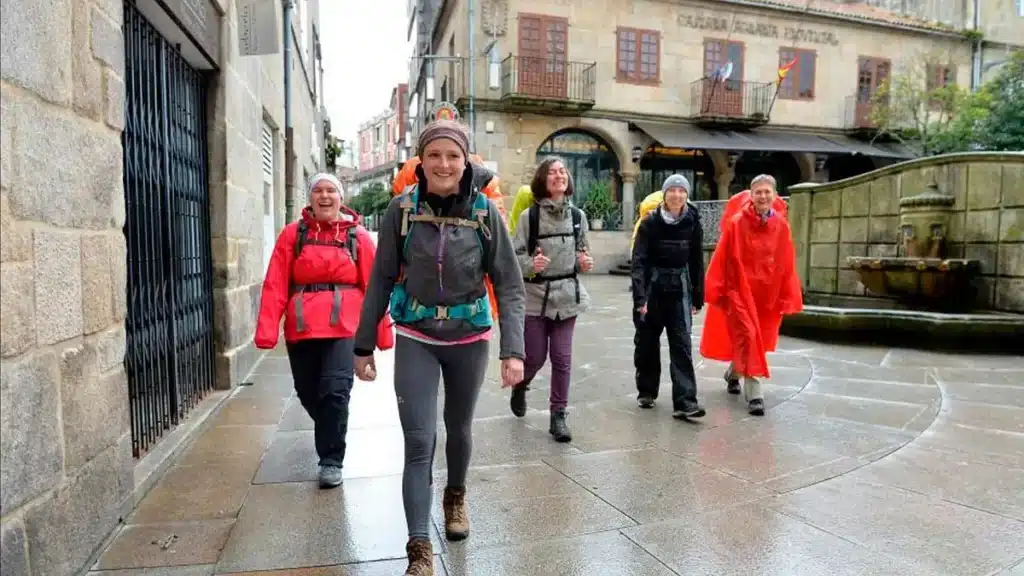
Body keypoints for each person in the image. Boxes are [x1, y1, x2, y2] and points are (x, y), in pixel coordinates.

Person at [353, 119, 526, 576]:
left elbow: (509, 283)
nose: (444, 164)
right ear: (421, 162)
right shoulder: (400, 211)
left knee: (459, 428)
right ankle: (419, 550)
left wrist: (514, 349)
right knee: (418, 440)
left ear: (465, 161)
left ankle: (456, 497)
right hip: (416, 335)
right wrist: (363, 344)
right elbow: (381, 279)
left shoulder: (486, 213)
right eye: (435, 156)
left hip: (469, 337)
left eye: (453, 156)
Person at [254, 173, 394, 488]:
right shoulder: (293, 235)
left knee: (335, 390)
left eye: (331, 190)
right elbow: (275, 282)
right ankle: (332, 426)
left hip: (347, 326)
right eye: (318, 190)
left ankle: (331, 459)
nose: (325, 196)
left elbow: (375, 287)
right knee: (308, 392)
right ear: (310, 198)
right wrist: (267, 330)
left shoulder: (358, 237)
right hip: (302, 326)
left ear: (341, 198)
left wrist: (380, 336)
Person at [700, 174, 803, 416]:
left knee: (759, 338)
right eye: (759, 192)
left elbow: (786, 262)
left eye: (768, 192)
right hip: (740, 291)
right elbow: (723, 256)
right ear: (751, 194)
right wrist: (719, 287)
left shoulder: (781, 226)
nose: (763, 196)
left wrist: (787, 291)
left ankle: (734, 372)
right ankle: (754, 393)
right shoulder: (737, 223)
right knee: (748, 333)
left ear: (775, 195)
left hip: (767, 293)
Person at [509, 157, 593, 442]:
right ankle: (521, 386)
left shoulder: (579, 217)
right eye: (552, 172)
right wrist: (532, 265)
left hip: (567, 296)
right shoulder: (528, 218)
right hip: (535, 297)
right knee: (533, 357)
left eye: (562, 172)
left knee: (562, 357)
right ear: (543, 180)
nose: (559, 176)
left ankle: (559, 415)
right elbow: (514, 258)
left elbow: (584, 254)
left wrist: (585, 262)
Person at [630, 174, 706, 419]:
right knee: (647, 343)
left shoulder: (692, 221)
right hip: (653, 287)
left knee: (682, 343)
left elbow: (696, 260)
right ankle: (647, 391)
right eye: (672, 190)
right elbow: (639, 261)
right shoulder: (649, 222)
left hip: (680, 287)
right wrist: (640, 299)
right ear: (664, 195)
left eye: (681, 191)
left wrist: (697, 296)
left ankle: (685, 402)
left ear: (687, 195)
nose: (677, 195)